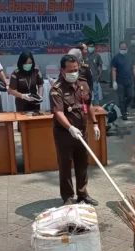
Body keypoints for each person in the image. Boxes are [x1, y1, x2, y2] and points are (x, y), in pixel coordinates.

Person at [50, 54, 101, 206]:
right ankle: (67, 197)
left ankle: (83, 194)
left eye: (76, 69)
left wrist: (95, 123)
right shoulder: (56, 89)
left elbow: (89, 104)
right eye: (70, 70)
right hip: (65, 134)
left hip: (83, 132)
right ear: (62, 70)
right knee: (65, 165)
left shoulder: (83, 84)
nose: (74, 72)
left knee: (82, 163)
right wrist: (70, 127)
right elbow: (58, 112)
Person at [112, 41, 135, 120]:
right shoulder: (116, 58)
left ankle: (124, 106)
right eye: (121, 48)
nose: (123, 50)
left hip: (130, 80)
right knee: (121, 98)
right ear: (119, 48)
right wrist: (114, 81)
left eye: (124, 48)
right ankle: (124, 113)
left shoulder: (130, 57)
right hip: (120, 81)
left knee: (131, 96)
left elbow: (134, 68)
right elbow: (114, 70)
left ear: (127, 48)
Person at [86, 40, 104, 106]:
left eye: (92, 47)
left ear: (94, 47)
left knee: (96, 92)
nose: (91, 48)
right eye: (89, 46)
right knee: (87, 93)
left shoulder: (97, 56)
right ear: (87, 47)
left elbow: (101, 67)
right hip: (86, 78)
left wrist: (99, 75)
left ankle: (97, 106)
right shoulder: (84, 56)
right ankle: (88, 105)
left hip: (95, 77)